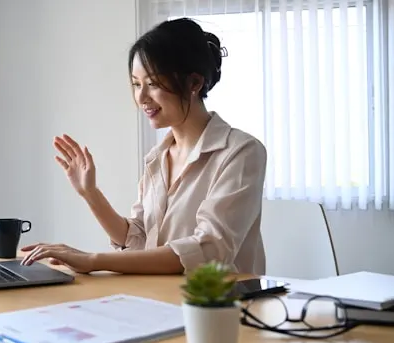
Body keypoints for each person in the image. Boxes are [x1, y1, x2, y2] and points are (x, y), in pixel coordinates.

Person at [20, 17, 267, 275]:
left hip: (219, 308)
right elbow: (138, 239)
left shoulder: (241, 152)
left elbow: (210, 250)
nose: (141, 97)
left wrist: (94, 260)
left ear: (194, 83)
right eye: (136, 84)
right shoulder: (157, 158)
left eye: (152, 84)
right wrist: (90, 193)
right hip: (160, 299)